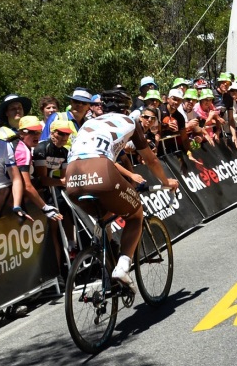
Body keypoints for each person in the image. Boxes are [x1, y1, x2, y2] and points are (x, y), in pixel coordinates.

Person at [62, 87, 178, 287]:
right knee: (135, 215)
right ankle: (122, 267)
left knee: (105, 218)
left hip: (71, 178)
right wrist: (166, 182)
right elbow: (151, 160)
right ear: (126, 109)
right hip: (100, 172)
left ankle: (107, 269)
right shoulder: (130, 121)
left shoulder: (88, 123)